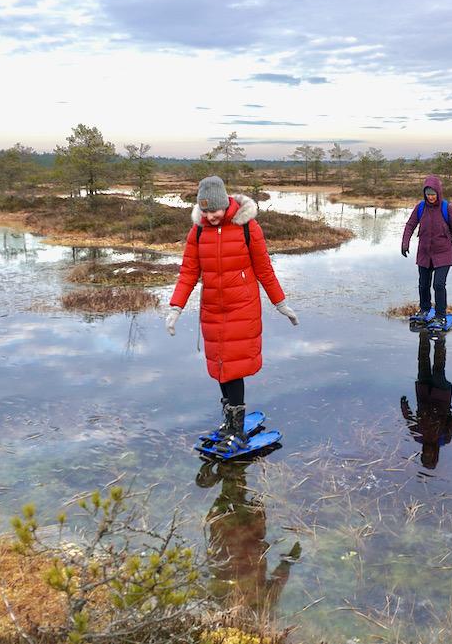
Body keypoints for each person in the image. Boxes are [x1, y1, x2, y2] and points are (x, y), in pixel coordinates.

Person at [167, 176, 299, 454]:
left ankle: (237, 429)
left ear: (225, 203)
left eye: (214, 210)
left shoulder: (248, 228)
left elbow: (264, 269)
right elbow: (189, 272)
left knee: (234, 367)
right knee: (219, 366)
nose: (210, 216)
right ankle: (229, 421)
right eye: (204, 211)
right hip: (212, 309)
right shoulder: (198, 232)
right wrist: (176, 307)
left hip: (242, 308)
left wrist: (281, 303)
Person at [197, 462, 300, 626]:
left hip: (229, 541)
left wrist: (287, 563)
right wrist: (287, 563)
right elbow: (277, 582)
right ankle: (231, 473)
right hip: (232, 542)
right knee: (229, 510)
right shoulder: (256, 602)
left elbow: (276, 583)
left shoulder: (258, 602)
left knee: (230, 510)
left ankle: (231, 472)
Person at [401, 174, 452, 329]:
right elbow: (410, 225)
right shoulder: (420, 207)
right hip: (424, 253)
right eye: (428, 194)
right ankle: (425, 310)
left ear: (438, 193)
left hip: (443, 254)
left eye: (433, 194)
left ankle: (440, 315)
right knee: (423, 284)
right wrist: (405, 243)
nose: (430, 197)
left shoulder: (446, 208)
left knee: (439, 285)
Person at [400, 332, 452, 470]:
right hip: (441, 394)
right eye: (430, 456)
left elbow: (409, 419)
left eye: (425, 455)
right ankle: (440, 340)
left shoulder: (418, 436)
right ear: (435, 455)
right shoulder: (444, 438)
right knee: (438, 370)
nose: (427, 453)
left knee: (423, 363)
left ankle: (424, 336)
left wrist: (404, 406)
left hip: (424, 393)